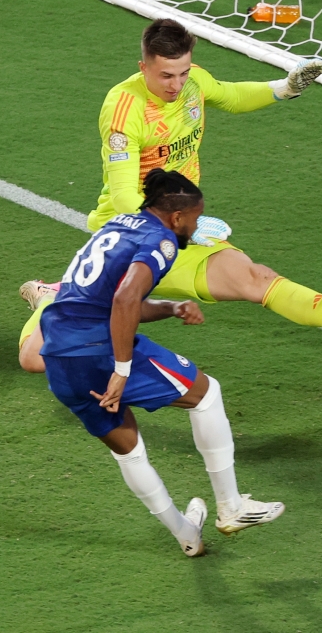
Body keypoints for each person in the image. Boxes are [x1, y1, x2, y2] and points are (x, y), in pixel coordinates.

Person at [17, 18, 322, 372]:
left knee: (255, 278)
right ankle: (53, 298)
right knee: (36, 359)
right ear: (143, 67)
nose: (177, 84)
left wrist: (285, 87)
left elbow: (231, 95)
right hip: (126, 238)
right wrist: (179, 228)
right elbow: (123, 197)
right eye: (166, 75)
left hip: (177, 228)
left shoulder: (192, 81)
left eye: (182, 72)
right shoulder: (124, 110)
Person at [41, 168, 283, 557]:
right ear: (176, 216)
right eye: (195, 218)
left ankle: (186, 534)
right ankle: (231, 506)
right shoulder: (162, 241)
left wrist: (170, 307)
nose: (196, 226)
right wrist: (121, 371)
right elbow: (124, 299)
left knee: (128, 449)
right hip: (99, 349)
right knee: (205, 394)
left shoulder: (120, 224)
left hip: (59, 355)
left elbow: (114, 300)